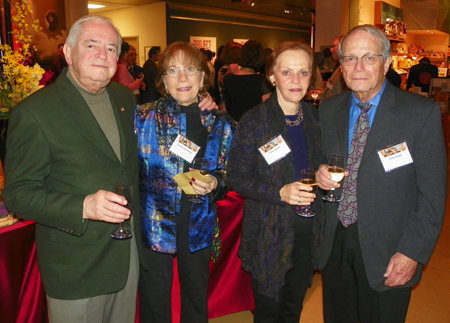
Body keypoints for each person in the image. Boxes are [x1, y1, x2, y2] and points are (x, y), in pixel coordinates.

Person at [3, 15, 142, 323]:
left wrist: (197, 103)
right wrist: (83, 206)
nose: (102, 55)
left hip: (126, 253)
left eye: (110, 48)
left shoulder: (123, 98)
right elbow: (18, 195)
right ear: (67, 52)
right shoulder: (35, 113)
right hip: (76, 264)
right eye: (91, 45)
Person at [316, 24, 447, 323]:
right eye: (349, 59)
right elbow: (320, 160)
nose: (358, 67)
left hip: (389, 249)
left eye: (369, 58)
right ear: (340, 65)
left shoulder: (419, 113)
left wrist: (411, 253)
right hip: (335, 244)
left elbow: (432, 195)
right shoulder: (329, 109)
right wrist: (320, 171)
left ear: (386, 62)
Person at [136, 41, 235, 323]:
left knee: (195, 299)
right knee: (154, 300)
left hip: (198, 221)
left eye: (190, 69)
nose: (182, 78)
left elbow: (230, 173)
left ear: (203, 77)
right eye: (173, 70)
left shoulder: (220, 122)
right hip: (154, 222)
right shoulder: (142, 117)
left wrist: (216, 183)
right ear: (163, 80)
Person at [227, 40, 323, 322]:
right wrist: (279, 191)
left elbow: (317, 165)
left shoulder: (314, 118)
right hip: (270, 232)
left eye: (303, 72)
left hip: (307, 227)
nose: (296, 80)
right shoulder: (255, 121)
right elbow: (236, 177)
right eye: (287, 72)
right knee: (269, 312)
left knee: (293, 307)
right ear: (272, 76)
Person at [222, 39, 272, 122]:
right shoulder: (262, 81)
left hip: (233, 126)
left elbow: (225, 106)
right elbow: (267, 110)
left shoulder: (228, 78)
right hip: (254, 127)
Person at [321, 35, 348, 102]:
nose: (331, 49)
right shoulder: (338, 66)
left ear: (343, 46)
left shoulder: (346, 69)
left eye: (334, 46)